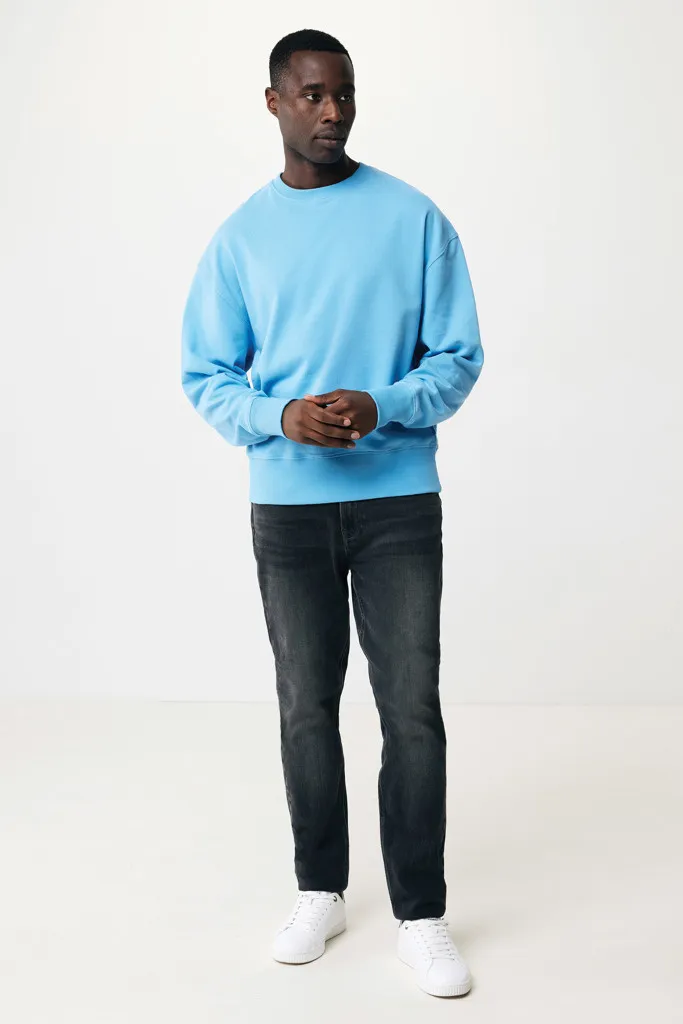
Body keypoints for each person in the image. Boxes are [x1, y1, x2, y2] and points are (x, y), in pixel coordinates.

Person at [180, 28, 484, 999]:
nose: (332, 111)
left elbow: (457, 358)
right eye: (311, 94)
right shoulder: (241, 237)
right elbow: (205, 374)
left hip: (397, 504)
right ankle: (320, 889)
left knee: (411, 709)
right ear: (273, 102)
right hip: (288, 510)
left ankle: (421, 913)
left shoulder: (413, 218)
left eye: (343, 93)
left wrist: (380, 403)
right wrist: (279, 416)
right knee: (305, 706)